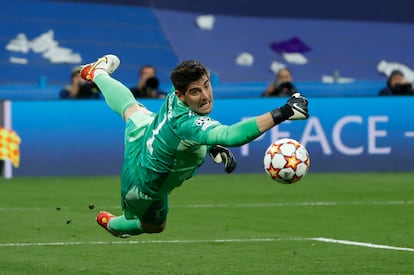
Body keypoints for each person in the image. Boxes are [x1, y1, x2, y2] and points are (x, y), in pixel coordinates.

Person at [80, 54, 309, 238]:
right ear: (181, 95)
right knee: (154, 226)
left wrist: (210, 146)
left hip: (145, 132)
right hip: (143, 182)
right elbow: (231, 135)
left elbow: (199, 136)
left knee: (131, 109)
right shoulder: (188, 123)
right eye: (195, 92)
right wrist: (285, 112)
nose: (205, 96)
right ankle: (112, 224)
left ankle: (96, 71)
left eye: (207, 86)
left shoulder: (176, 92)